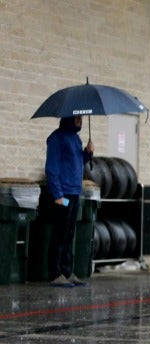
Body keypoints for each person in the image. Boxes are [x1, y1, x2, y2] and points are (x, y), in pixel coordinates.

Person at [45, 116, 94, 287]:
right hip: (63, 196)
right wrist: (57, 195)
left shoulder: (76, 138)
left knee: (70, 233)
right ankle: (55, 273)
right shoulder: (57, 139)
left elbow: (78, 162)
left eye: (81, 118)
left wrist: (87, 153)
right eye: (76, 118)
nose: (79, 120)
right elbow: (51, 168)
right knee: (60, 232)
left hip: (74, 194)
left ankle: (67, 271)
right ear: (68, 118)